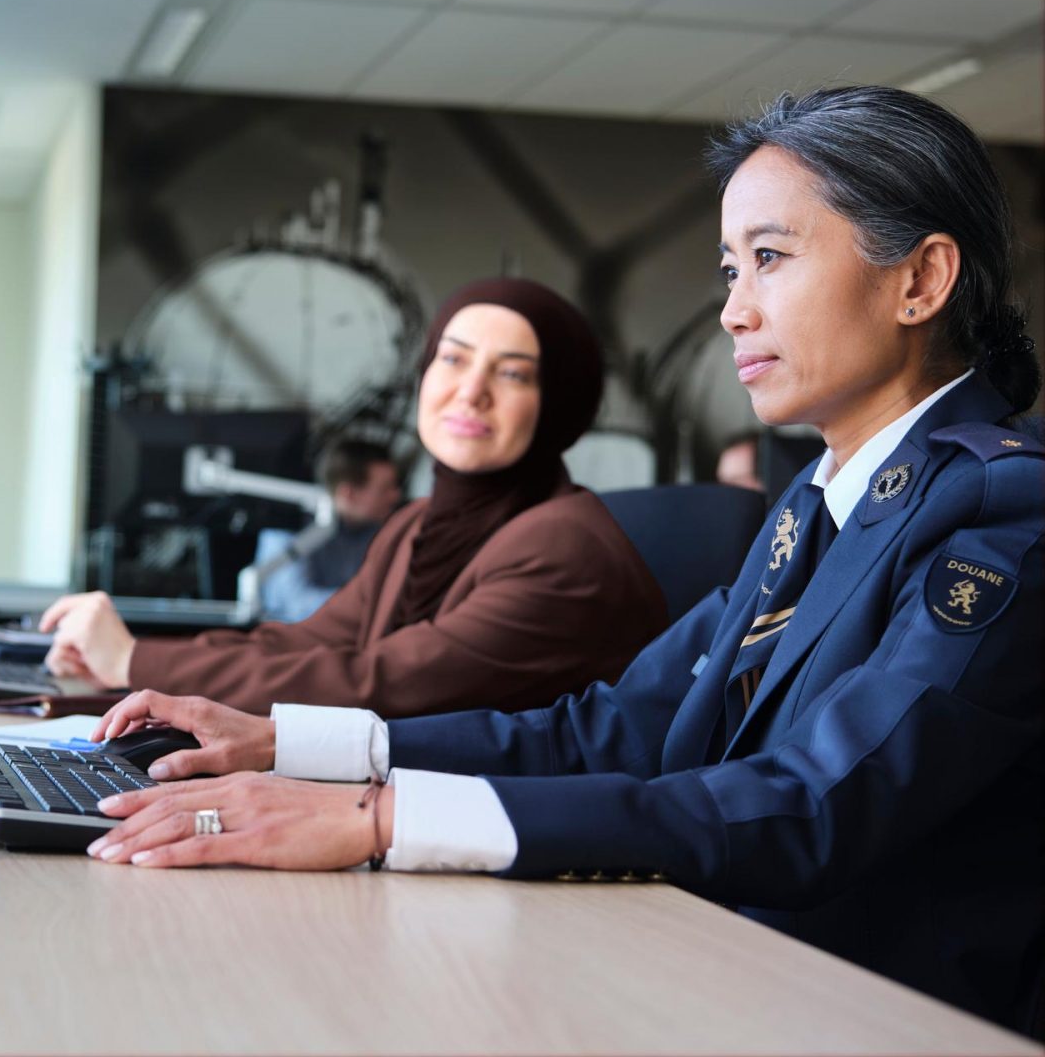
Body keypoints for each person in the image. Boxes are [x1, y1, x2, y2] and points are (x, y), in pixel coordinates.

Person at [82, 86, 1045, 1035]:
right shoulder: (817, 501)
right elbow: (611, 730)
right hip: (711, 969)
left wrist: (382, 818)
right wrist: (287, 745)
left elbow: (812, 805)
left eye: (769, 259)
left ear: (920, 280)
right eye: (729, 270)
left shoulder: (1004, 511)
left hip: (869, 1019)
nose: (733, 312)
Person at [40, 278, 668, 718]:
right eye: (453, 360)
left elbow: (378, 685)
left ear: (557, 405)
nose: (470, 392)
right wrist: (132, 661)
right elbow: (303, 645)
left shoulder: (565, 549)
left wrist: (134, 661)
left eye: (510, 373)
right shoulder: (414, 525)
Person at [256, 438, 402, 622]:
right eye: (384, 489)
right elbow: (294, 605)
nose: (395, 496)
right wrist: (369, 603)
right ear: (349, 494)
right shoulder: (289, 526)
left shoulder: (375, 531)